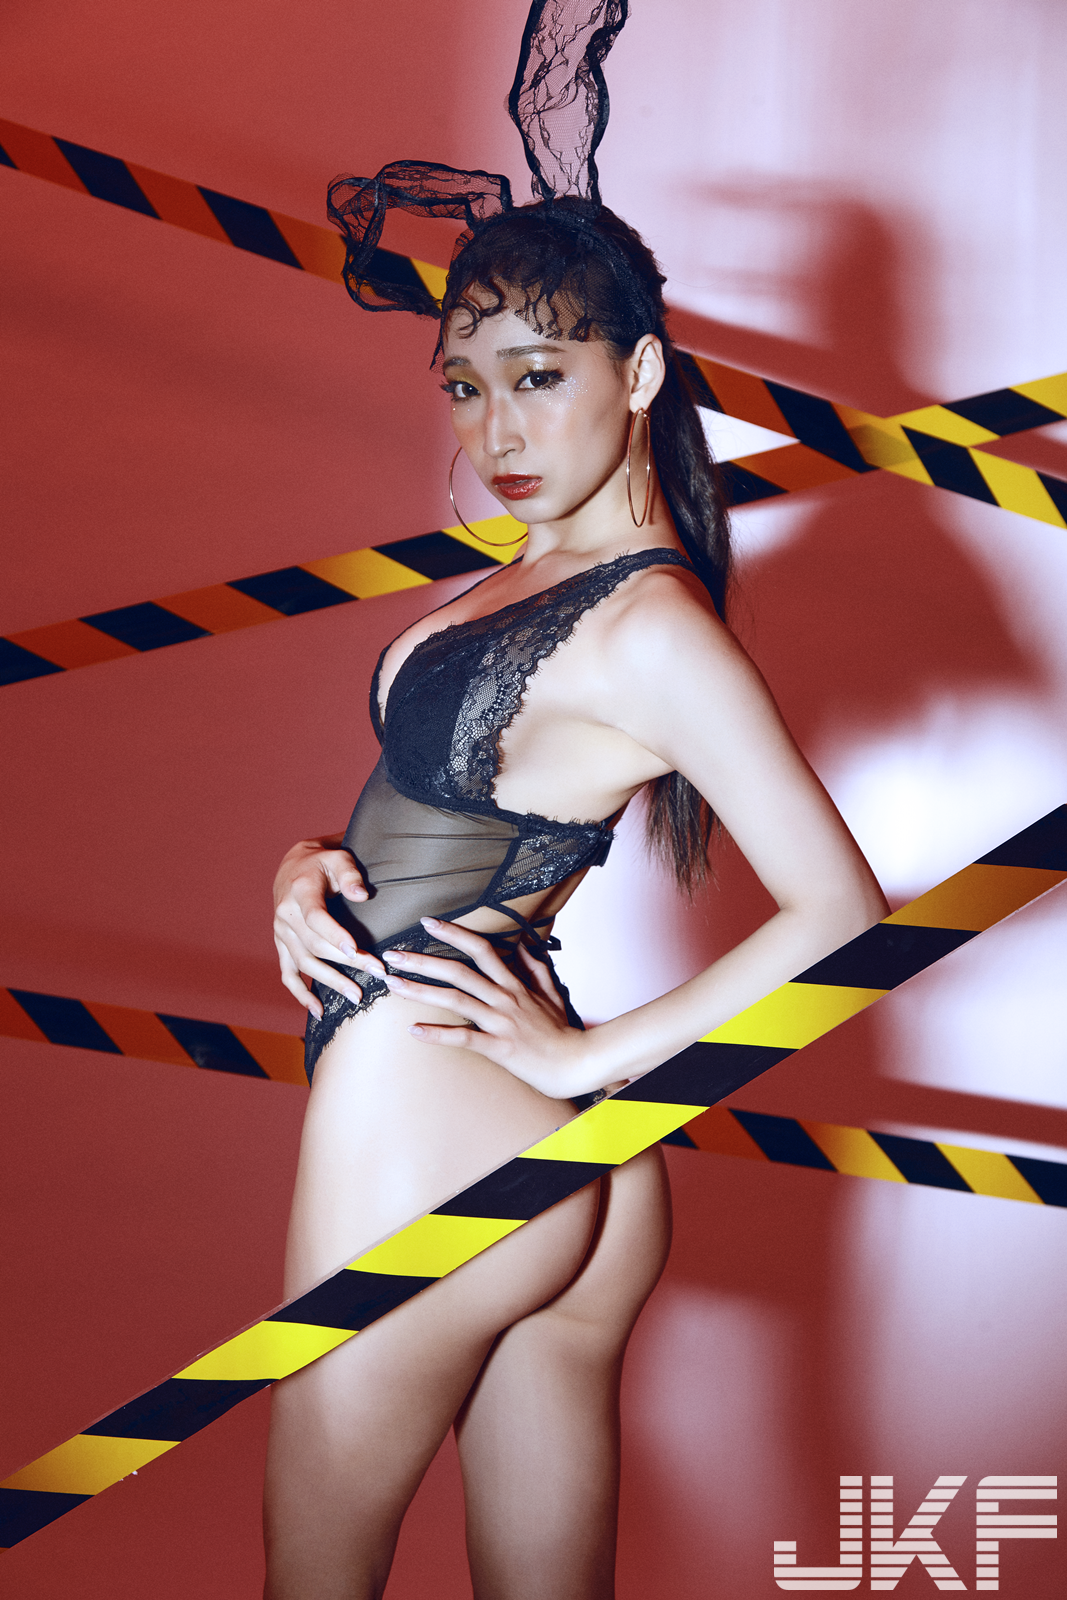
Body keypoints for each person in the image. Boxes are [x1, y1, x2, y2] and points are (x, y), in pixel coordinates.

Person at [262, 5, 888, 1596]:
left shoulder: (647, 622)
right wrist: (308, 864)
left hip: (433, 1107)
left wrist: (587, 1057)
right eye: (466, 386)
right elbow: (458, 812)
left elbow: (841, 913)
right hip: (534, 1138)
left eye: (538, 376)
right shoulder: (537, 582)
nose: (498, 429)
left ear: (641, 371)